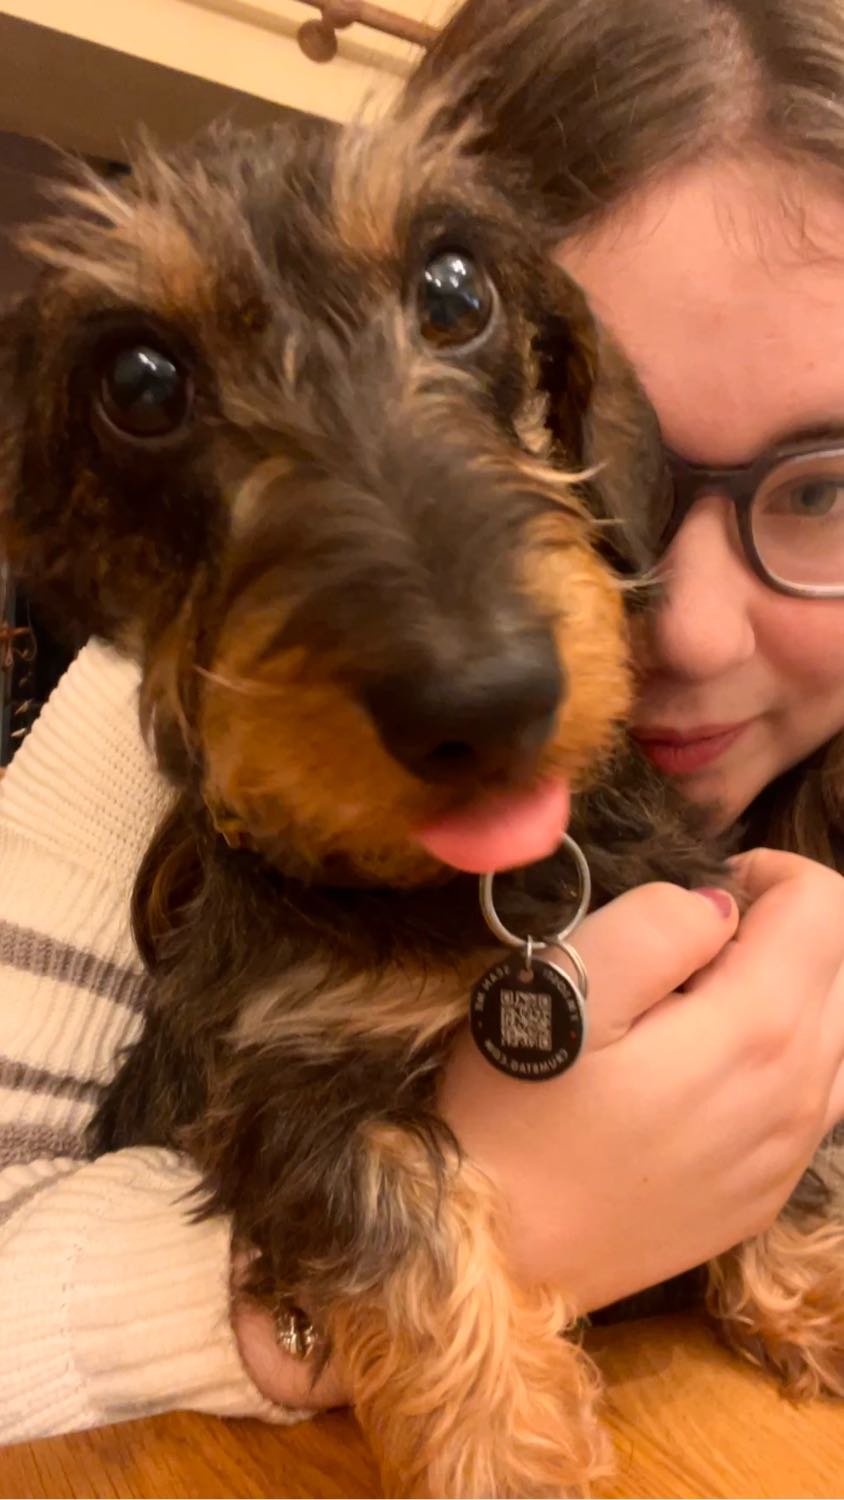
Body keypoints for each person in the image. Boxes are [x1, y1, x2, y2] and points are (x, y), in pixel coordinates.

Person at [3, 0, 844, 1445]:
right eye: (154, 395)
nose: (691, 632)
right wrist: (485, 1235)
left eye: (827, 485)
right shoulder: (137, 750)